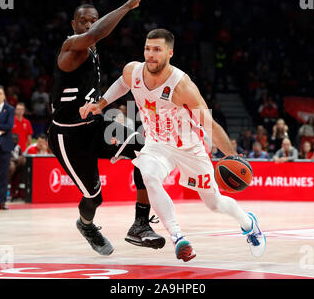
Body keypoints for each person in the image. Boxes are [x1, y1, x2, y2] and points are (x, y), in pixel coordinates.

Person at [80, 28, 266, 262]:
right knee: (148, 174)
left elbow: (210, 125)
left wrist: (233, 156)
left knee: (214, 203)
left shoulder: (182, 86)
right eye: (147, 48)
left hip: (189, 148)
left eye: (157, 50)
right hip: (157, 144)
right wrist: (102, 103)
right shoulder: (133, 71)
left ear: (170, 53)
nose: (150, 54)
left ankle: (249, 225)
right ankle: (178, 237)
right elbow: (122, 82)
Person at [47, 0, 165, 257]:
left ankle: (140, 224)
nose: (89, 25)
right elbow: (96, 34)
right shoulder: (71, 48)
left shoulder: (93, 50)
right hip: (68, 136)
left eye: (93, 20)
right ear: (74, 23)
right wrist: (127, 6)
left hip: (95, 126)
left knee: (144, 149)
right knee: (94, 197)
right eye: (84, 21)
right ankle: (86, 225)